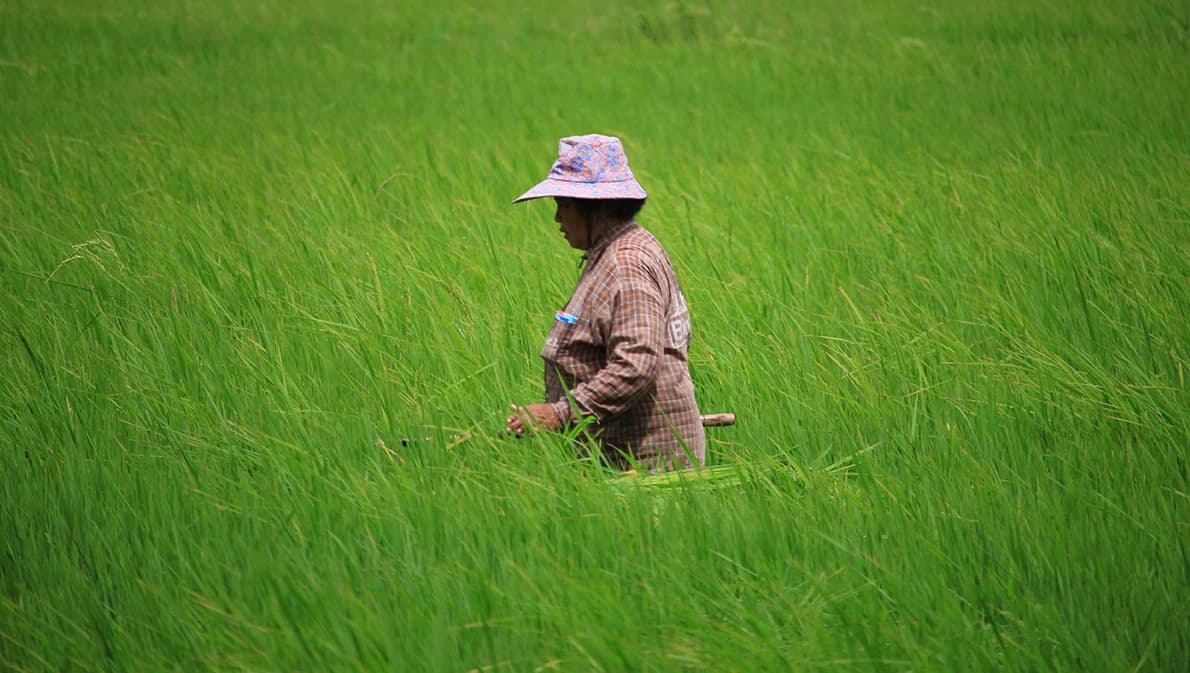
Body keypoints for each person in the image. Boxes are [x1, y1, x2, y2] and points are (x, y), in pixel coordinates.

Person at [505, 134, 705, 471]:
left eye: (563, 205)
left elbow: (636, 364)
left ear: (596, 207)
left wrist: (560, 413)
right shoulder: (617, 251)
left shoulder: (625, 265)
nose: (557, 218)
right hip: (624, 456)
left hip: (646, 463)